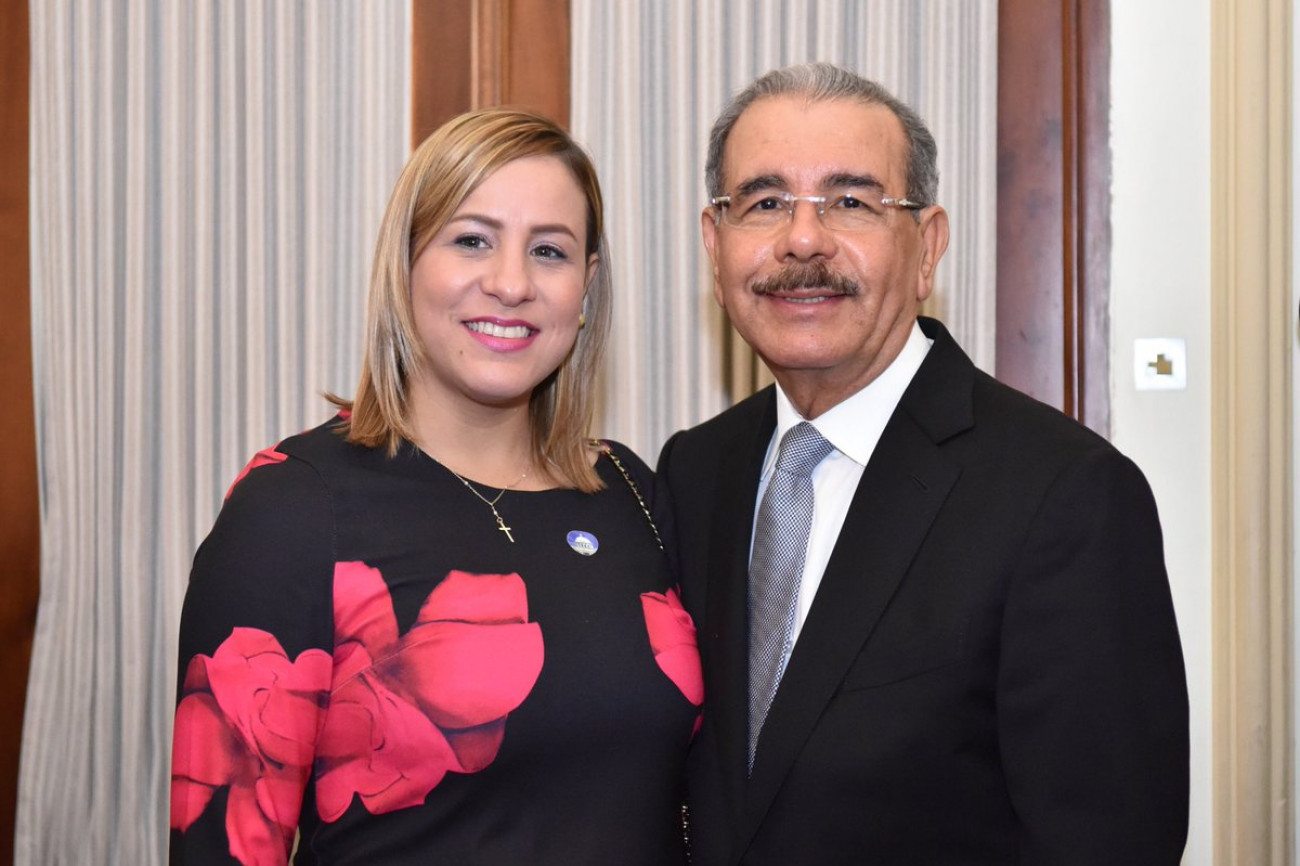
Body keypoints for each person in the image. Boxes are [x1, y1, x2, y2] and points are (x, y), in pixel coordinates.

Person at [657, 63, 1189, 864]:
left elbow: (1109, 841)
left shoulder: (1065, 496)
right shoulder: (693, 472)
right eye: (765, 203)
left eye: (851, 201)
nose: (803, 239)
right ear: (715, 243)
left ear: (927, 247)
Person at [170, 107, 702, 865]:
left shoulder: (630, 492)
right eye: (472, 240)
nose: (511, 283)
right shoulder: (294, 507)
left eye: (549, 251)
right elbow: (226, 843)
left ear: (584, 289)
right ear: (406, 264)